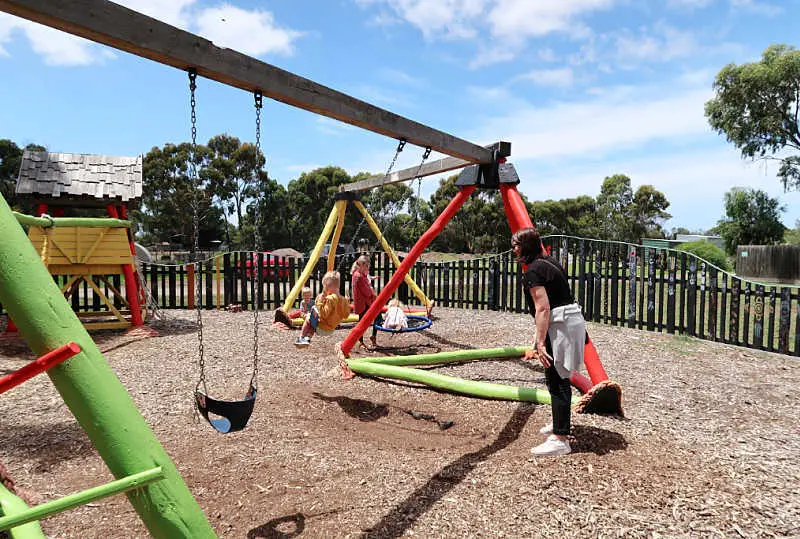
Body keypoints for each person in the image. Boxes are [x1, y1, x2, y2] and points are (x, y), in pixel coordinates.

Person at [512, 227, 585, 456]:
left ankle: (561, 439)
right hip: (568, 321)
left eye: (516, 244)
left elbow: (543, 308)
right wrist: (538, 339)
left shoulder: (533, 271)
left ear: (525, 247)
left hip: (559, 326)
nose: (513, 249)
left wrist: (540, 343)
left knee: (557, 378)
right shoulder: (550, 262)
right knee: (557, 377)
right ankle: (559, 423)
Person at [295, 271, 351, 348]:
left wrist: (319, 301)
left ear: (328, 286)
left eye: (324, 286)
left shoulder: (330, 299)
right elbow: (346, 315)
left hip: (323, 328)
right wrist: (347, 304)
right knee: (312, 321)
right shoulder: (343, 300)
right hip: (331, 329)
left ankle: (301, 338)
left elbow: (323, 314)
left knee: (309, 317)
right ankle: (307, 339)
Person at [351, 255, 382, 348]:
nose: (368, 268)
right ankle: (366, 339)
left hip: (363, 303)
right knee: (374, 319)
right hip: (365, 303)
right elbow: (367, 292)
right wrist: (373, 294)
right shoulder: (359, 276)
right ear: (362, 265)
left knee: (363, 321)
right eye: (367, 266)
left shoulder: (357, 274)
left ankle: (365, 339)